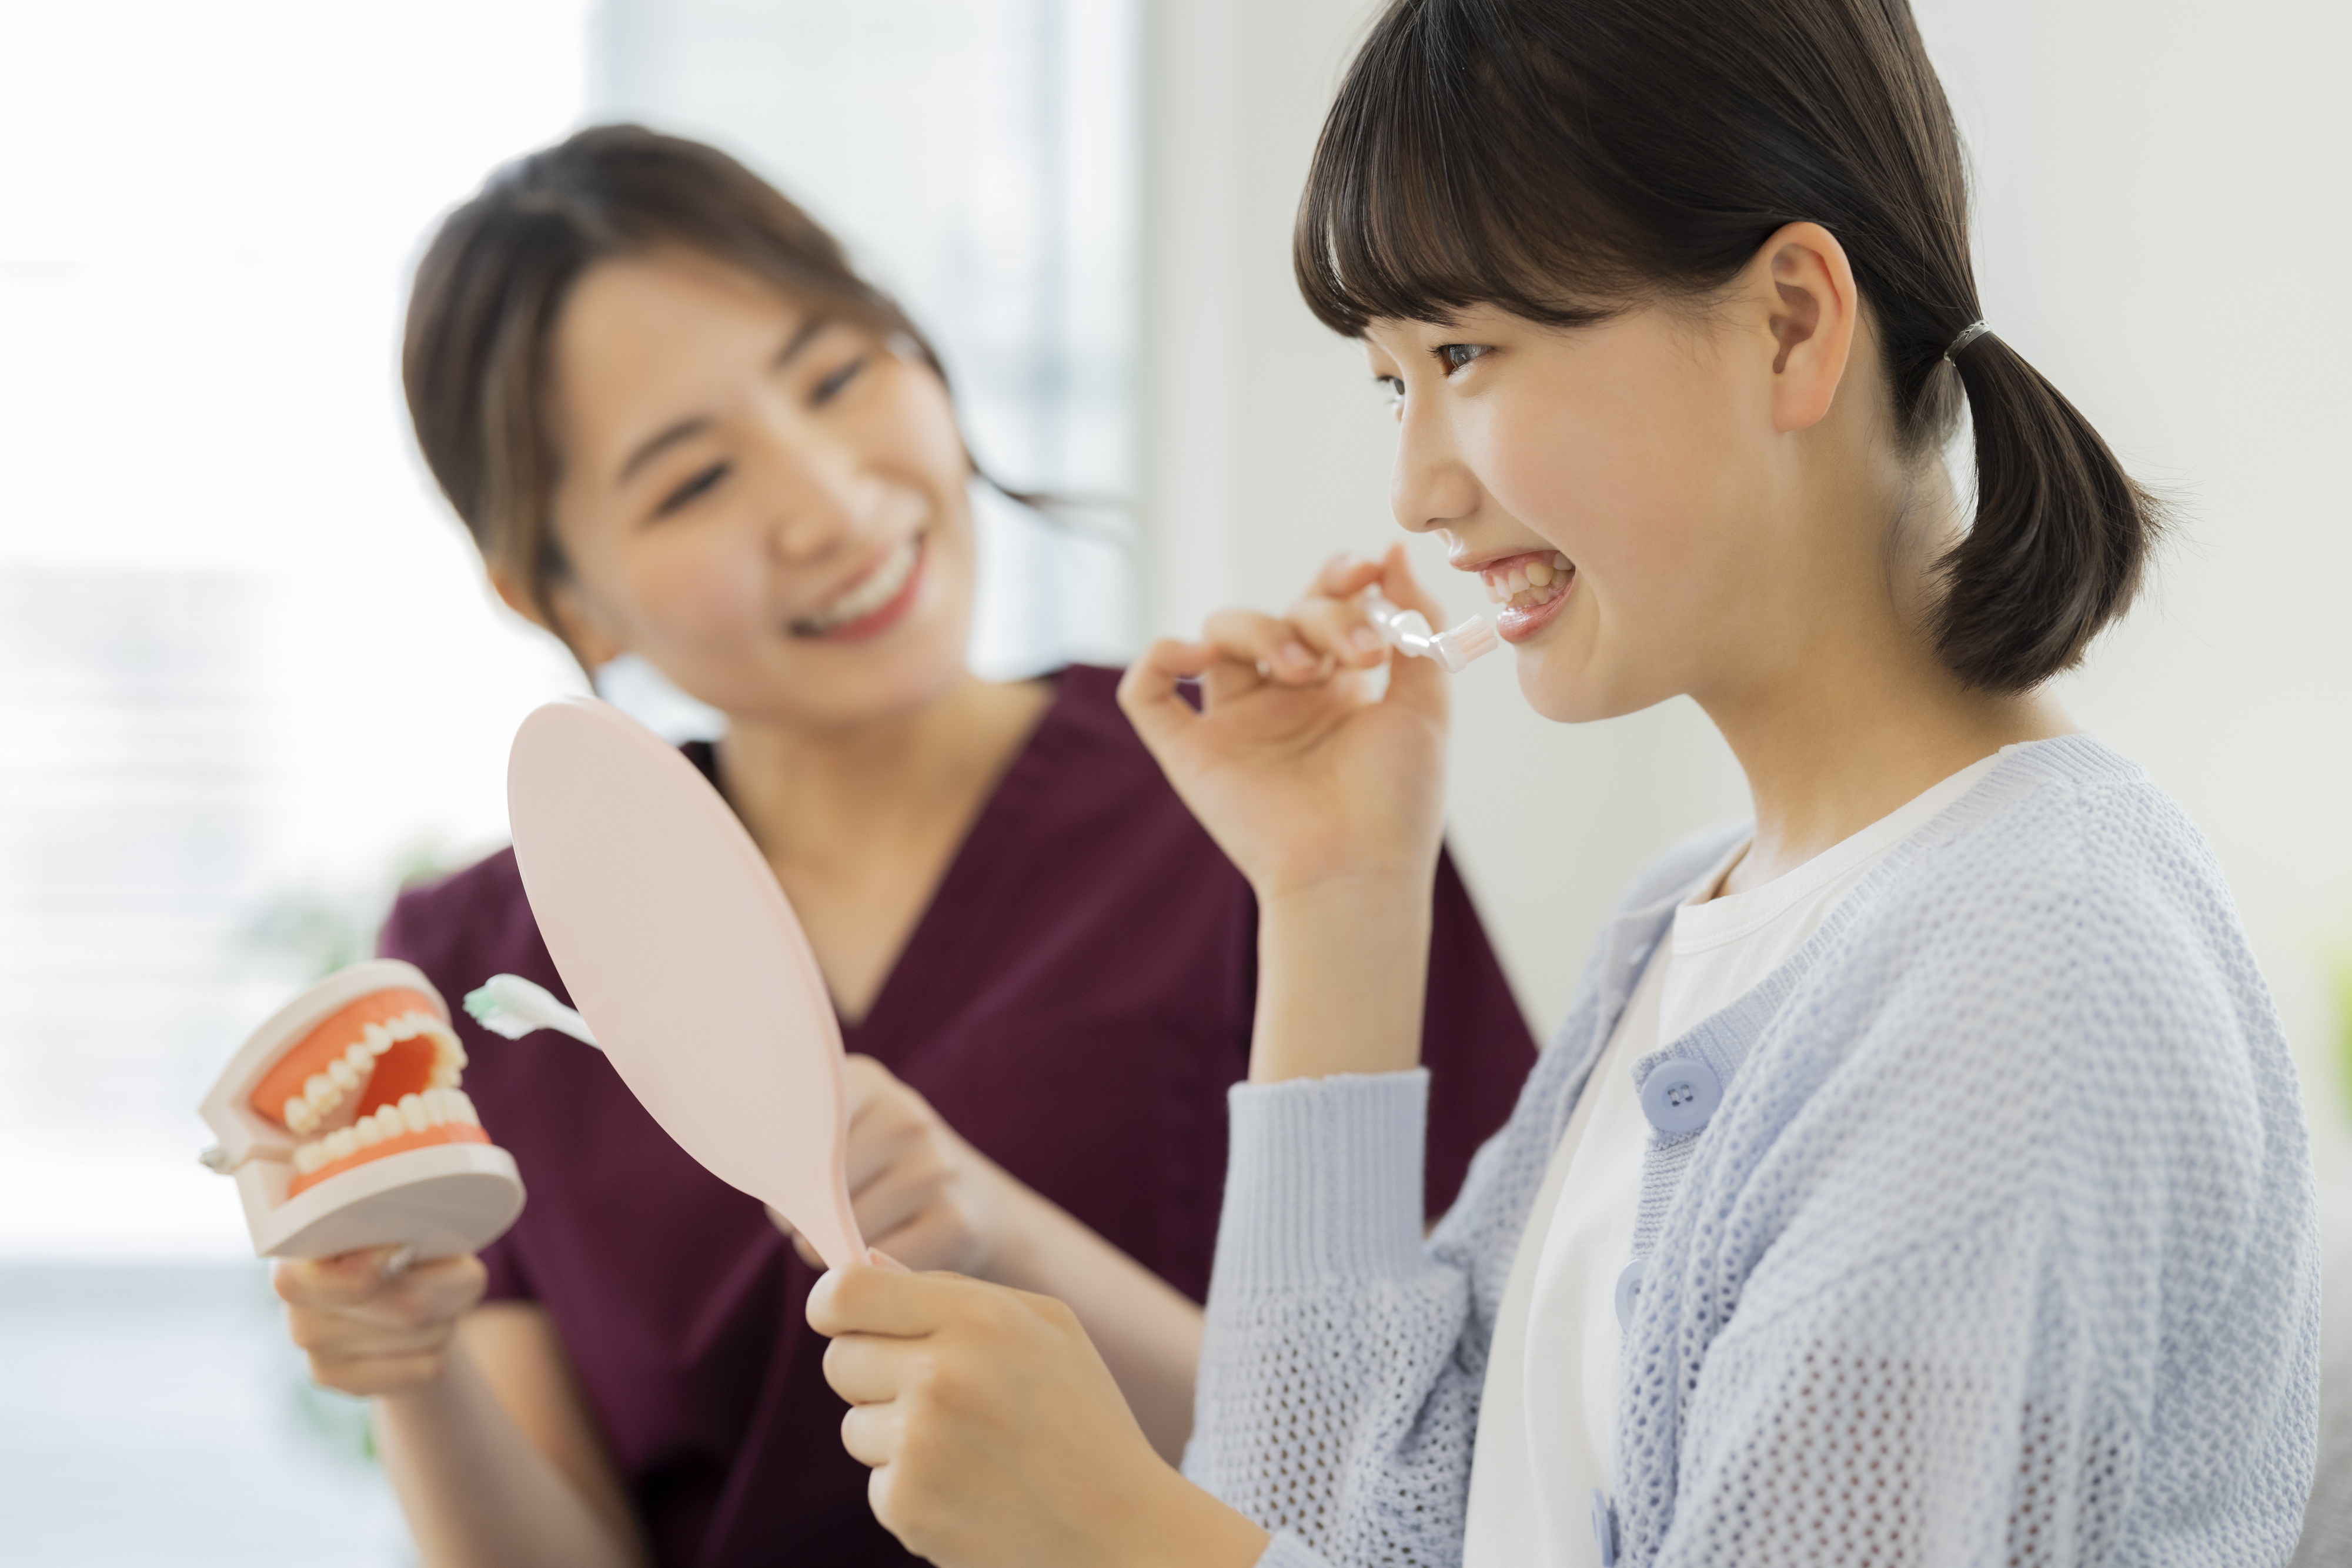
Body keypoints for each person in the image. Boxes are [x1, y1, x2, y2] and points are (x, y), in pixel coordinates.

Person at [801, 1, 2323, 1564]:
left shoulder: (2028, 971)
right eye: (1392, 382)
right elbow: (1334, 1526)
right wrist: (1336, 895)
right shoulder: (1684, 917)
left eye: (1464, 354)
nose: (1417, 489)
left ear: (1790, 323)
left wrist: (1121, 1537)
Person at [266, 125, 1535, 1568]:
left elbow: (1468, 1473)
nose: (831, 503)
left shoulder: (1272, 805)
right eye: (692, 481)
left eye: (835, 376)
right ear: (554, 593)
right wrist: (410, 1360)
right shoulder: (484, 967)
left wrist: (1000, 1238)